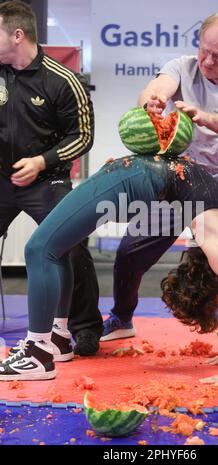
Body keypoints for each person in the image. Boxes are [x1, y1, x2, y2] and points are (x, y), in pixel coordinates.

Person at [100, 13, 218, 362]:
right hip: (179, 179)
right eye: (204, 51)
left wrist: (205, 117)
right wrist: (151, 102)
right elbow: (154, 89)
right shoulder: (181, 67)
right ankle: (122, 316)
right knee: (129, 250)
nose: (207, 61)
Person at [0, 153, 218, 380]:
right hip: (128, 178)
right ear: (211, 281)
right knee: (40, 249)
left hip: (139, 172)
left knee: (58, 246)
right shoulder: (214, 242)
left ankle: (56, 339)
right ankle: (38, 353)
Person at [0, 1, 102, 356]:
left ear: (16, 35)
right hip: (2, 180)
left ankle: (84, 328)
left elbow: (83, 136)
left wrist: (42, 162)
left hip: (48, 180)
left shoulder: (63, 80)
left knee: (70, 246)